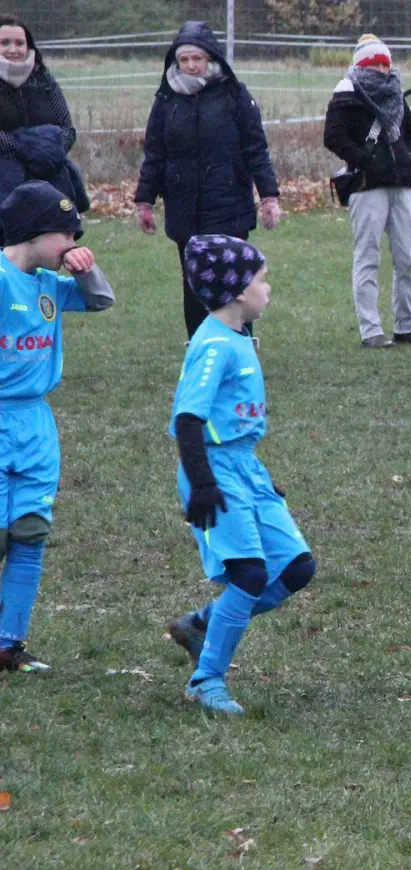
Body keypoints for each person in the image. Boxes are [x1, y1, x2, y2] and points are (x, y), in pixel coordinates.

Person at [162, 235, 316, 714]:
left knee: (296, 567)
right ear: (237, 290)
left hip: (246, 468)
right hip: (215, 468)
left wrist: (257, 478)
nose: (268, 289)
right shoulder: (213, 346)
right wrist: (203, 483)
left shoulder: (239, 336)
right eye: (262, 280)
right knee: (249, 573)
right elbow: (188, 419)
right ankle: (206, 680)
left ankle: (202, 624)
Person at [0, 181, 113, 673]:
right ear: (32, 232)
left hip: (36, 425)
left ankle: (8, 644)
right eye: (66, 234)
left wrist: (86, 271)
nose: (73, 243)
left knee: (30, 532)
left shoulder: (50, 284)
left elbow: (101, 300)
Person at [134, 22, 281, 340]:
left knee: (236, 282)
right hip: (184, 208)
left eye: (196, 58)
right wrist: (144, 201)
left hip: (229, 206)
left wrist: (269, 197)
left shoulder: (234, 95)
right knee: (194, 283)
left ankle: (241, 346)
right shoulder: (166, 100)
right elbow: (155, 154)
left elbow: (256, 149)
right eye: (184, 59)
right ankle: (199, 346)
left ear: (210, 58)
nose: (190, 65)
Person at [324, 34, 411, 348]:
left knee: (408, 257)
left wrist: (410, 158)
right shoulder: (346, 94)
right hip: (366, 185)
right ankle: (371, 330)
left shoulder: (395, 93)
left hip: (402, 183)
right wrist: (363, 159)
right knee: (367, 258)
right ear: (363, 65)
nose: (383, 69)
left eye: (386, 63)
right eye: (376, 63)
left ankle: (406, 326)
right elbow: (333, 136)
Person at [0, 16, 85, 224]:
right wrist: (24, 147)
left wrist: (49, 150)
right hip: (4, 175)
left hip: (49, 170)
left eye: (20, 43)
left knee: (56, 233)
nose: (13, 49)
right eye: (4, 43)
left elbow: (67, 128)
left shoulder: (45, 80)